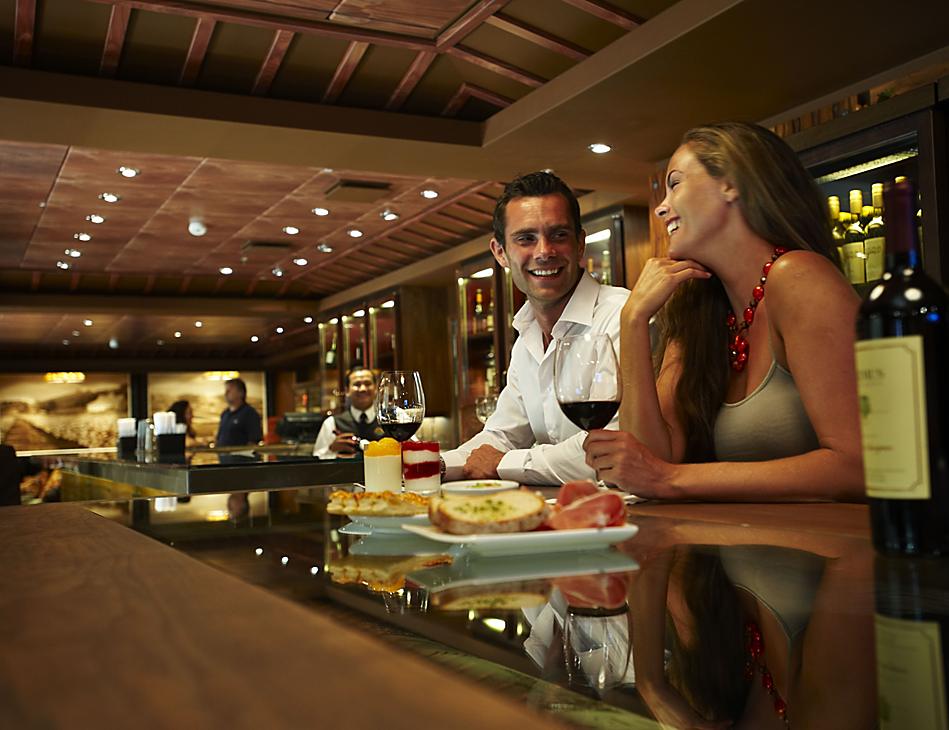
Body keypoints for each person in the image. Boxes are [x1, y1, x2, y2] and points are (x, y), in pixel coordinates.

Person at [583, 122, 864, 500]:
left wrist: (671, 479)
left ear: (731, 184)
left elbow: (858, 465)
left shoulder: (799, 277)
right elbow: (648, 462)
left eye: (675, 183)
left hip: (838, 554)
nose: (661, 207)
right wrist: (632, 319)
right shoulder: (701, 310)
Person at [441, 171, 630, 485]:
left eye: (558, 235)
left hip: (633, 517)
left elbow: (611, 446)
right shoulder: (525, 338)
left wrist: (504, 464)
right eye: (526, 238)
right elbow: (501, 435)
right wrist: (431, 465)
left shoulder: (622, 317)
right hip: (564, 518)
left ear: (580, 243)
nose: (544, 251)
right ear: (500, 252)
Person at [312, 368, 385, 459]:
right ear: (347, 390)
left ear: (375, 389)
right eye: (357, 384)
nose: (363, 389)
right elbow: (317, 458)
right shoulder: (332, 423)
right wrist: (331, 449)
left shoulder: (387, 421)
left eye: (367, 384)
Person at [215, 378, 263, 447]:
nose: (226, 393)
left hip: (241, 456)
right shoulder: (225, 414)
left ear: (241, 393)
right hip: (224, 456)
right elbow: (219, 438)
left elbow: (254, 441)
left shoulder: (249, 413)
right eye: (226, 390)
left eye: (229, 391)